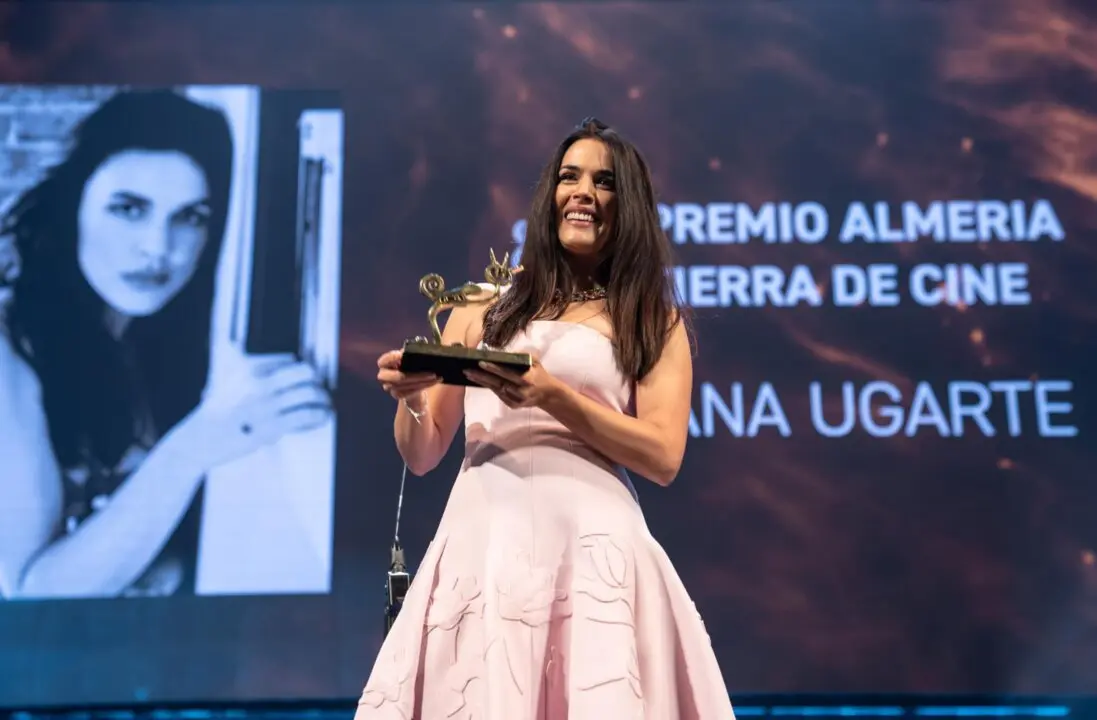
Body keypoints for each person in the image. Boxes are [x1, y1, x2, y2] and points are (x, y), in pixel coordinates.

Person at [363, 118, 735, 718]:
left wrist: (551, 395)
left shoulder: (651, 320)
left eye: (604, 181)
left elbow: (664, 456)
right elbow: (423, 451)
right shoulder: (481, 310)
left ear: (629, 205)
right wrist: (410, 395)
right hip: (484, 541)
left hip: (592, 549)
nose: (582, 191)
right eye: (569, 177)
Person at [0, 89, 331, 600]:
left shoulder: (159, 335)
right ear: (73, 209)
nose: (159, 248)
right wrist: (202, 440)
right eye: (128, 208)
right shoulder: (10, 346)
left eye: (191, 216)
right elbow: (32, 593)